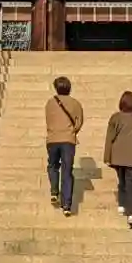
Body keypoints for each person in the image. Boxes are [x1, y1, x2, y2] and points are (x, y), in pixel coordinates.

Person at [104, 90, 132, 229]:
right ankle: (131, 213)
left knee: (122, 180)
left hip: (117, 155)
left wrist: (107, 157)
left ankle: (122, 203)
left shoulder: (115, 118)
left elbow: (109, 138)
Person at [44, 76, 83, 215]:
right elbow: (79, 122)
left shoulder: (50, 103)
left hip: (53, 139)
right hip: (68, 140)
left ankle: (54, 191)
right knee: (67, 171)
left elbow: (48, 120)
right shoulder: (75, 103)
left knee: (53, 165)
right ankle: (67, 205)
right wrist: (71, 131)